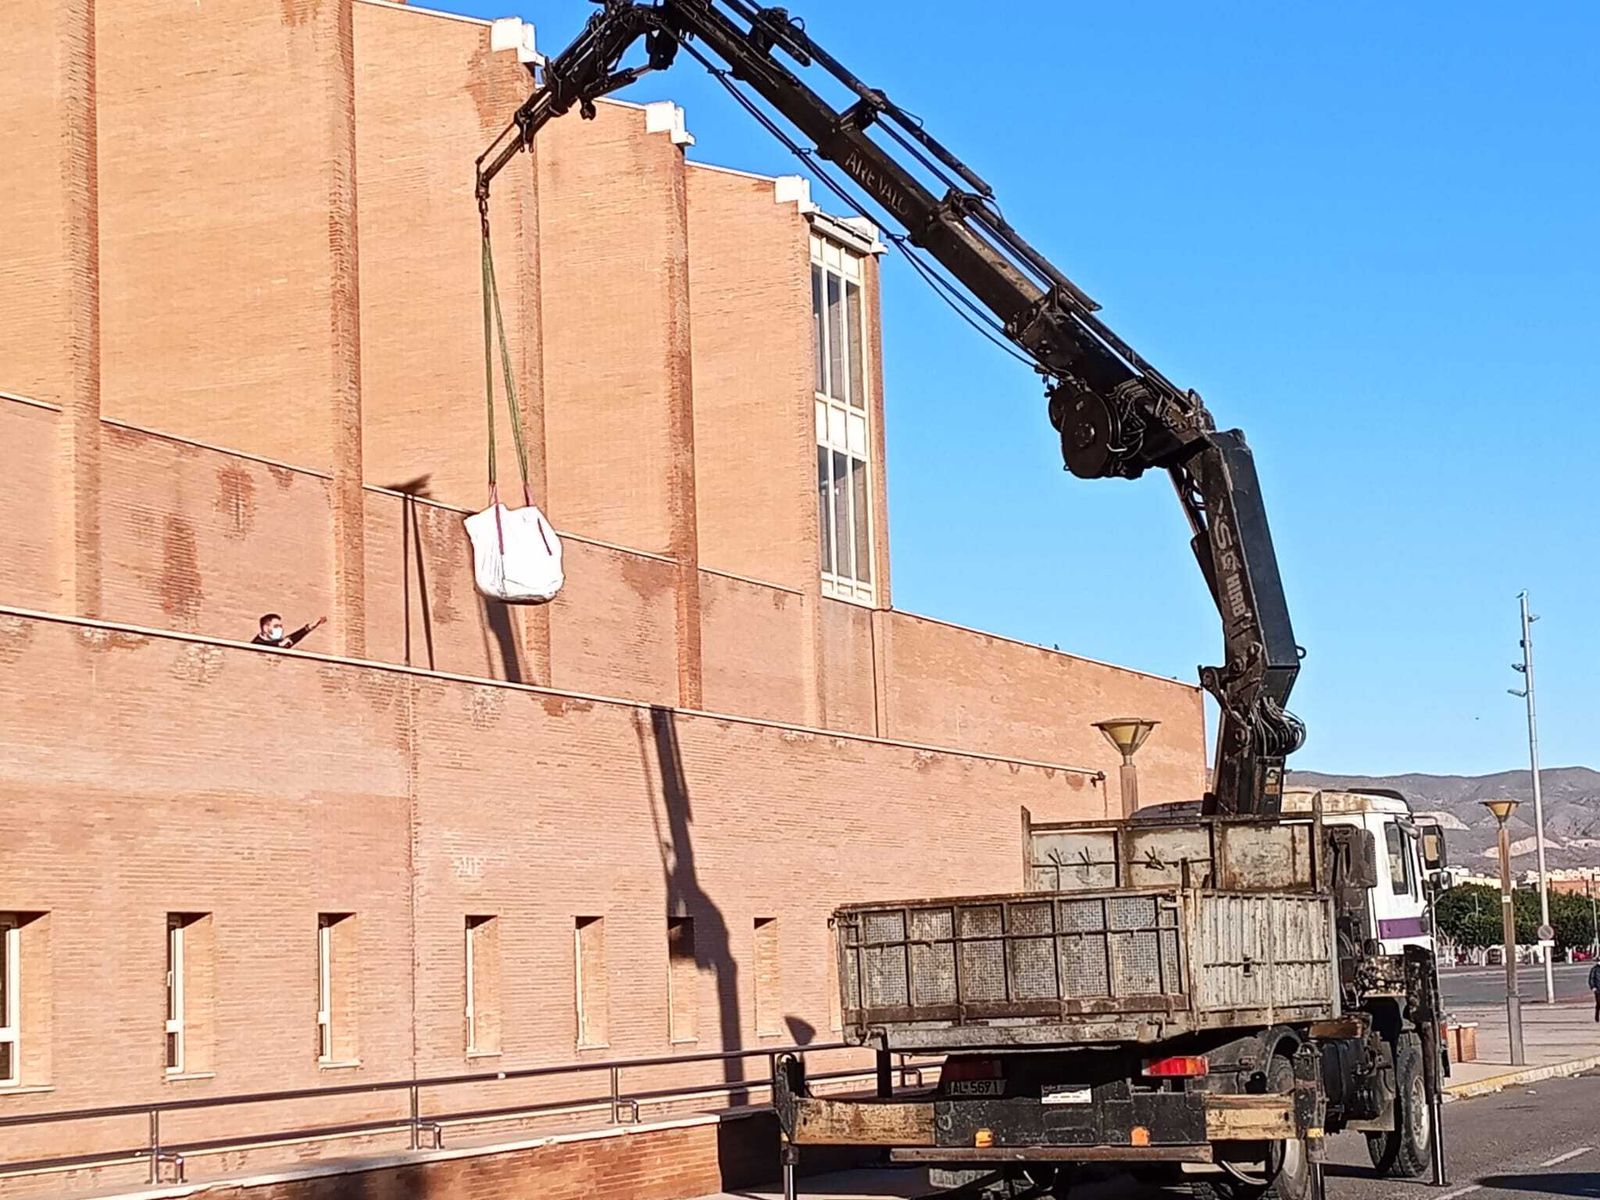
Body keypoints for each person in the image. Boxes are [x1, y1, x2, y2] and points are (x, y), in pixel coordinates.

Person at [251, 612, 326, 649]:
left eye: (281, 626)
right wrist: (278, 645)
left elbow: (295, 636)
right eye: (276, 626)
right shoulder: (256, 643)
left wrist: (310, 627)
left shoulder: (279, 642)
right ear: (265, 628)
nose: (279, 629)